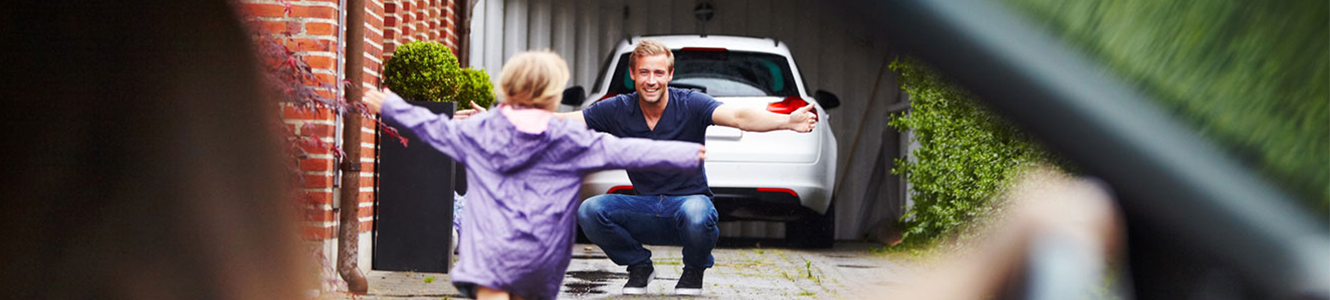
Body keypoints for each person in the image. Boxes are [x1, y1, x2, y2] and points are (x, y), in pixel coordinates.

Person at [455, 39, 819, 296]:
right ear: (633, 74)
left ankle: (693, 270)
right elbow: (563, 123)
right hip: (643, 205)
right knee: (590, 210)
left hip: (687, 204)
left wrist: (786, 122)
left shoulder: (691, 104)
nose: (651, 80)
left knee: (697, 212)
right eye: (644, 72)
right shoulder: (617, 108)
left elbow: (738, 116)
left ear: (670, 74)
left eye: (659, 73)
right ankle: (639, 266)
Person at [363, 50, 707, 300]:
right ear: (554, 96)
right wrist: (683, 153)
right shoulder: (568, 139)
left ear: (507, 89)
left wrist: (392, 106)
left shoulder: (482, 131)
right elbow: (625, 150)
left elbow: (434, 127)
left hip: (488, 255)